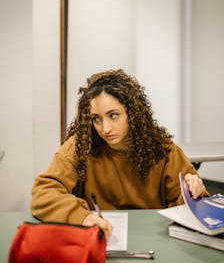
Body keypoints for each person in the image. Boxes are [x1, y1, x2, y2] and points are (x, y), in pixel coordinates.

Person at [31, 69, 208, 236]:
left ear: (132, 113)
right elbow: (44, 193)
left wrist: (193, 193)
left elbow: (195, 206)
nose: (105, 129)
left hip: (154, 236)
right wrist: (82, 217)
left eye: (113, 115)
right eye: (96, 119)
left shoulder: (164, 150)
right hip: (99, 237)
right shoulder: (80, 145)